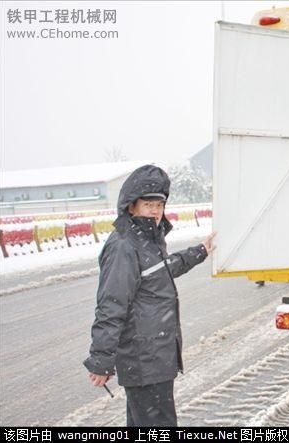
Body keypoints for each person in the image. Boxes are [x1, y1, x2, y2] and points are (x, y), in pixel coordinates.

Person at [83, 164, 216, 426]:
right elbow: (112, 305)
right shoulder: (124, 245)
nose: (155, 211)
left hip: (154, 357)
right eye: (148, 204)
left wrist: (199, 251)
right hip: (144, 360)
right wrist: (101, 360)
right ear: (132, 206)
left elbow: (162, 271)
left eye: (159, 205)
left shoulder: (147, 239)